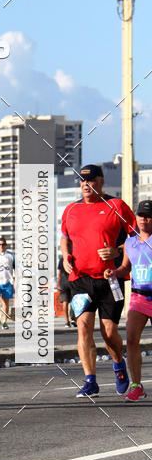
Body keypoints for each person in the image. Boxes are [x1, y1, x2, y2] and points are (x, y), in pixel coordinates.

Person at [60, 164, 136, 398]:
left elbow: (135, 238)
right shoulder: (71, 209)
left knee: (109, 332)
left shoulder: (116, 206)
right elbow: (64, 237)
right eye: (82, 181)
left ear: (101, 182)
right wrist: (65, 256)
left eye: (91, 180)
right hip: (80, 279)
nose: (86, 184)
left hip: (109, 279)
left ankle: (118, 362)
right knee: (83, 326)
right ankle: (90, 381)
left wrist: (117, 251)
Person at [104, 199, 152, 401]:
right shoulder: (130, 243)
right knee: (131, 340)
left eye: (148, 216)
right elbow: (125, 268)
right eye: (141, 215)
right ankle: (136, 386)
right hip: (138, 297)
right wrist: (114, 272)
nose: (144, 220)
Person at [57, 254, 77, 328]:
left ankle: (67, 322)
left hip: (64, 283)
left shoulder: (62, 259)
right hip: (72, 282)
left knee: (66, 302)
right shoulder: (74, 258)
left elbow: (59, 273)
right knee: (73, 301)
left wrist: (58, 284)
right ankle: (72, 319)